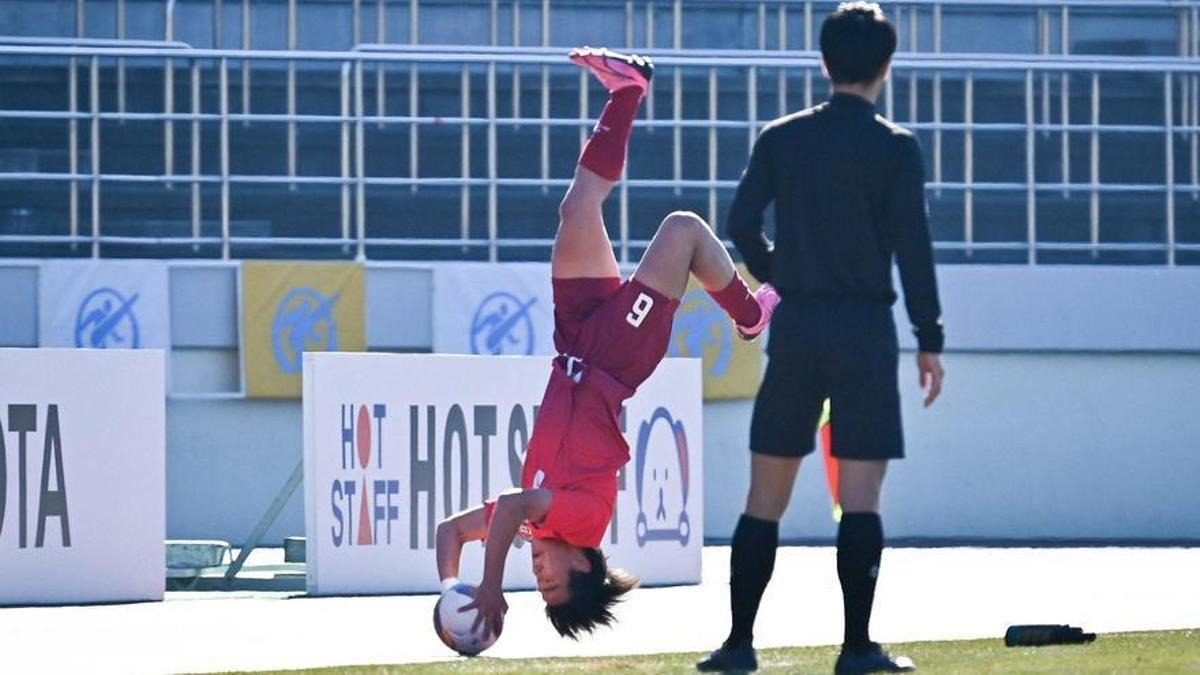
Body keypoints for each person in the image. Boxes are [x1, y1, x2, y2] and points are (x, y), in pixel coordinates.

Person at [435, 46, 780, 641]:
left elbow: (448, 531)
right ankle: (749, 316)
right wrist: (488, 585)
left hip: (573, 342)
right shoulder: (581, 522)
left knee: (576, 207)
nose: (538, 573)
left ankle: (627, 91)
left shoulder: (532, 528)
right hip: (615, 358)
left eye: (534, 583)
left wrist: (452, 594)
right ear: (585, 564)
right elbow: (515, 506)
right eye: (551, 582)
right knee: (684, 231)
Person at [697, 3, 946, 673]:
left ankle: (738, 643)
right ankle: (858, 648)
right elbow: (913, 247)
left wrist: (785, 268)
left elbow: (741, 223)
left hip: (799, 327)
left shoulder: (782, 138)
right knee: (860, 496)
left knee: (764, 495)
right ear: (886, 66)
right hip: (866, 329)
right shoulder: (896, 147)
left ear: (824, 62)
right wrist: (931, 335)